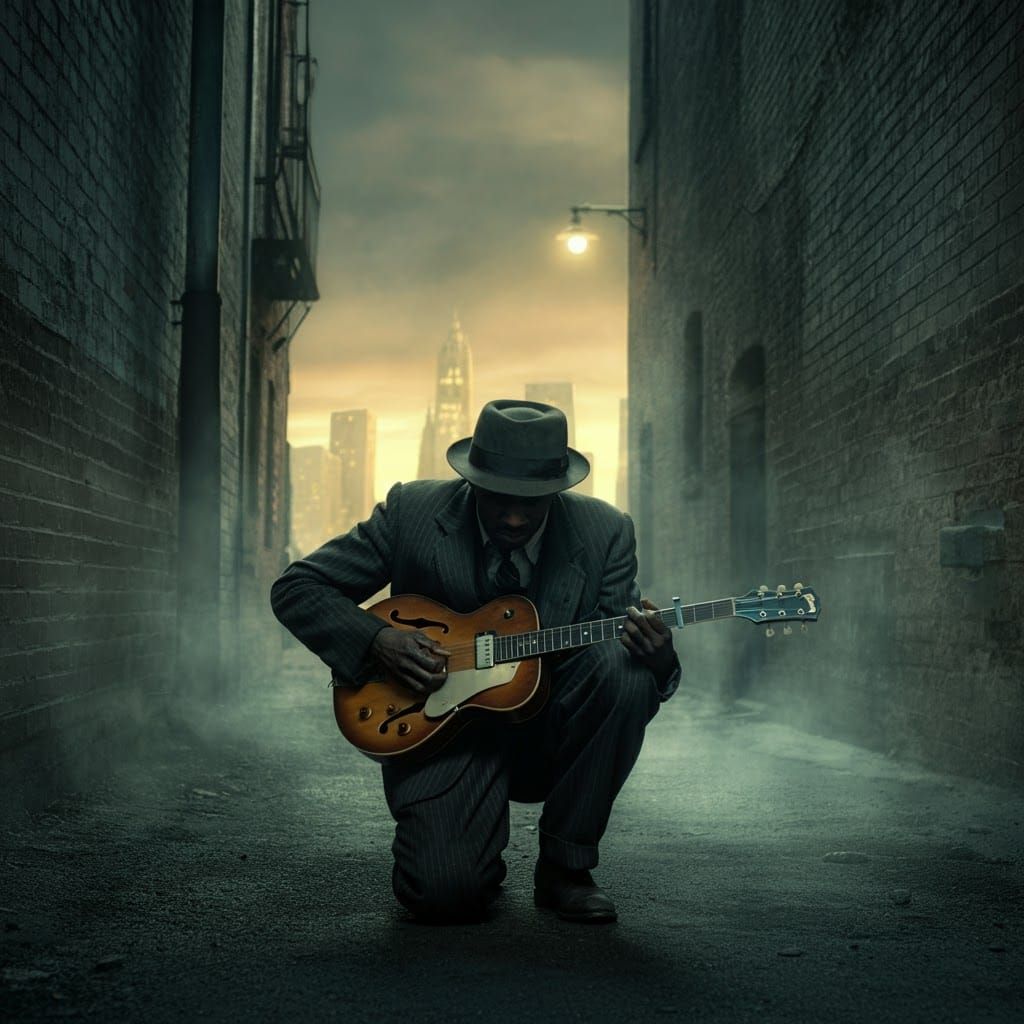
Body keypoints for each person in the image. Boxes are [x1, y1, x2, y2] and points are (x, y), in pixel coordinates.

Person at [270, 399, 680, 924]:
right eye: (499, 498)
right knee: (444, 895)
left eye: (531, 503)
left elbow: (611, 657)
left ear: (558, 489)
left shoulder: (605, 533)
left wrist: (659, 659)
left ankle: (566, 868)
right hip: (442, 729)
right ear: (472, 480)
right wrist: (377, 640)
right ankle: (466, 842)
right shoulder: (412, 513)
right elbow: (299, 588)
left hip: (548, 730)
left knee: (624, 670)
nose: (513, 516)